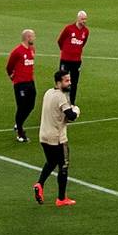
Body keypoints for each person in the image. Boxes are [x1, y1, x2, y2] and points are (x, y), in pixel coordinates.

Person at [35, 70, 79, 206]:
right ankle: (61, 198)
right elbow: (71, 116)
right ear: (59, 82)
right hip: (57, 138)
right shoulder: (61, 97)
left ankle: (40, 184)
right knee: (63, 166)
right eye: (67, 80)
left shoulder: (48, 93)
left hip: (43, 136)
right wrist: (76, 110)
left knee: (51, 161)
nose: (70, 83)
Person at [6, 29, 37, 143]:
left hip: (30, 82)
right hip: (20, 83)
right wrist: (12, 77)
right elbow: (9, 66)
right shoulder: (17, 51)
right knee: (22, 106)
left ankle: (19, 123)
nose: (34, 38)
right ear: (27, 37)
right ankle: (20, 132)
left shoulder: (32, 49)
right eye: (33, 36)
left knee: (31, 105)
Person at [56, 11, 89, 105]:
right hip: (65, 60)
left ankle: (72, 103)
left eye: (85, 19)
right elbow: (60, 41)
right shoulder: (69, 28)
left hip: (76, 61)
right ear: (78, 18)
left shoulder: (86, 31)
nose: (84, 21)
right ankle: (60, 102)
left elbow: (83, 43)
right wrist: (65, 51)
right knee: (62, 81)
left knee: (74, 83)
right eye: (82, 19)